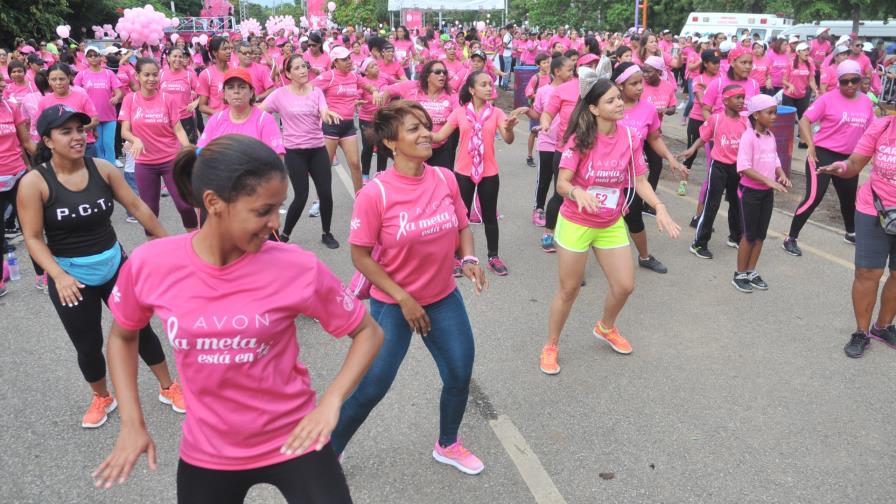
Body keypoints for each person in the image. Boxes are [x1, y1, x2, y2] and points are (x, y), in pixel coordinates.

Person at [90, 135, 383, 503]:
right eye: (263, 211)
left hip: (296, 434)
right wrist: (132, 423)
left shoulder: (296, 266)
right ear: (213, 202)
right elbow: (122, 336)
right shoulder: (152, 264)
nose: (274, 223)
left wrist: (331, 401)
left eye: (279, 208)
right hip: (209, 451)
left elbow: (367, 332)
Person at [331, 100, 488, 475]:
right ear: (390, 143)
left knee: (458, 373)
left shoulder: (445, 179)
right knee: (372, 387)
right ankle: (328, 452)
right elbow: (361, 255)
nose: (426, 133)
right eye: (414, 129)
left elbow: (463, 226)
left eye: (425, 125)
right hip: (393, 304)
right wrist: (403, 298)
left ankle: (447, 444)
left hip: (442, 298)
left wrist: (468, 260)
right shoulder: (376, 194)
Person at [17, 104, 184, 428]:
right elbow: (34, 238)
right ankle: (102, 397)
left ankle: (168, 387)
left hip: (113, 265)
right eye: (66, 132)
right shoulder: (35, 183)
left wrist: (170, 247)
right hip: (70, 275)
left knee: (139, 329)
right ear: (48, 141)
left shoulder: (103, 169)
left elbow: (138, 207)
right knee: (89, 345)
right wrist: (59, 275)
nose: (77, 137)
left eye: (80, 129)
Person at [538, 72, 680, 375]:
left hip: (610, 222)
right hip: (577, 221)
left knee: (625, 285)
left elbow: (640, 180)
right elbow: (562, 183)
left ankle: (605, 327)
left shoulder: (629, 137)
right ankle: (551, 344)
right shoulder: (580, 139)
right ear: (593, 108)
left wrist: (660, 206)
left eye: (619, 98)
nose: (619, 103)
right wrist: (577, 192)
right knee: (569, 290)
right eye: (611, 100)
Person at [815, 114, 896, 357]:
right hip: (875, 209)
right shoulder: (882, 127)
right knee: (867, 273)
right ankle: (861, 332)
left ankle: (882, 327)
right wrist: (843, 168)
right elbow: (855, 164)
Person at [431, 71, 526, 276]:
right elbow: (439, 136)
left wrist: (508, 129)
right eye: (483, 84)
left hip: (489, 173)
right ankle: (457, 257)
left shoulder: (498, 113)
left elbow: (508, 139)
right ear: (472, 90)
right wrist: (420, 131)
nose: (489, 87)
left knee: (490, 216)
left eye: (490, 84)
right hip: (463, 172)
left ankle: (493, 256)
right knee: (460, 216)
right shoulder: (459, 113)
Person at [783, 60, 875, 256]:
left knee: (849, 199)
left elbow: (872, 130)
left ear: (860, 79)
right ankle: (790, 237)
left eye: (854, 80)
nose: (850, 85)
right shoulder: (827, 99)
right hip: (822, 154)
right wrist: (810, 145)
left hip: (849, 159)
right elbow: (805, 120)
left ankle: (850, 233)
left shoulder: (866, 102)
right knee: (814, 197)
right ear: (838, 81)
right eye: (844, 81)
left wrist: (874, 153)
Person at [261, 54, 341, 249]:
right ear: (288, 73)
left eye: (304, 66)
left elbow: (323, 110)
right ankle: (285, 236)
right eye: (297, 68)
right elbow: (260, 112)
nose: (303, 70)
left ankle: (326, 233)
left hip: (317, 150)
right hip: (294, 152)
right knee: (301, 195)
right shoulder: (280, 94)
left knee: (325, 193)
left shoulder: (316, 92)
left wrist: (327, 114)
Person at [613, 62, 686, 274]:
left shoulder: (648, 109)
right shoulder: (607, 107)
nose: (639, 87)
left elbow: (654, 138)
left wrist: (670, 158)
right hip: (603, 177)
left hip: (632, 177)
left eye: (640, 82)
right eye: (633, 83)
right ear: (619, 86)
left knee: (634, 219)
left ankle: (644, 256)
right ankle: (577, 266)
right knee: (594, 222)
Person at [119, 58, 196, 233]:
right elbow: (124, 131)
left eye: (155, 75)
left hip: (171, 160)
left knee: (185, 205)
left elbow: (178, 129)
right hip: (145, 163)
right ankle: (154, 246)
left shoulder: (167, 99)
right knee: (150, 210)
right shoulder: (130, 99)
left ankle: (194, 239)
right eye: (146, 75)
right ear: (137, 76)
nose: (151, 79)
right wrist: (135, 140)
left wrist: (187, 150)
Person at [678, 85, 748, 259]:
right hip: (719, 167)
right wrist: (692, 149)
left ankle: (735, 237)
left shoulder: (746, 121)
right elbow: (704, 137)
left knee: (736, 204)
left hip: (737, 170)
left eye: (742, 97)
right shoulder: (716, 119)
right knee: (712, 205)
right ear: (725, 101)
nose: (741, 101)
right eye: (737, 97)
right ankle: (699, 243)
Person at [733, 94, 791, 292]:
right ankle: (739, 274)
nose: (774, 116)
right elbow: (744, 167)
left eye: (775, 112)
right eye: (770, 113)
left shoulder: (770, 136)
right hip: (749, 192)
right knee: (748, 235)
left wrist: (781, 174)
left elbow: (774, 159)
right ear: (757, 114)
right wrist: (768, 180)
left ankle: (751, 271)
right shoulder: (748, 136)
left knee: (760, 235)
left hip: (767, 192)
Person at [313, 46, 379, 193]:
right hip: (331, 125)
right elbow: (309, 91)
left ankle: (360, 198)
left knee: (355, 164)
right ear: (335, 62)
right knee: (326, 166)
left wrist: (374, 91)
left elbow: (368, 86)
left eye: (349, 58)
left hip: (348, 126)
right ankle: (320, 200)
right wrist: (323, 109)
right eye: (344, 59)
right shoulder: (328, 76)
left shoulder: (354, 76)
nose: (349, 61)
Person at [382, 59, 459, 170]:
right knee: (413, 183)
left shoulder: (451, 95)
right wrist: (385, 116)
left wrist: (438, 136)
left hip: (440, 149)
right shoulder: (412, 87)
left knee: (440, 183)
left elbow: (458, 116)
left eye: (444, 72)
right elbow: (388, 91)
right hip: (413, 147)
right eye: (437, 72)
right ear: (427, 76)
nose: (442, 75)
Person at [0, 77, 36, 296]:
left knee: (30, 226)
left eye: (1, 83)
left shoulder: (11, 107)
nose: (2, 86)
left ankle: (42, 275)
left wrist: (47, 159)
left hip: (17, 173)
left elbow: (26, 142)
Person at [528, 56, 574, 228]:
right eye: (569, 69)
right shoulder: (543, 91)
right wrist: (527, 112)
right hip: (547, 142)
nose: (572, 72)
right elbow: (539, 114)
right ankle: (539, 208)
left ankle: (560, 213)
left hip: (566, 144)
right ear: (557, 72)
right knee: (545, 177)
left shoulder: (573, 90)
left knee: (562, 181)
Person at [197, 67, 283, 155]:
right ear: (225, 94)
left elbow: (276, 161)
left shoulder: (264, 121)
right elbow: (201, 154)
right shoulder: (216, 121)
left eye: (242, 87)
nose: (236, 91)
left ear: (251, 92)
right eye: (230, 87)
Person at [73, 46, 122, 167]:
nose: (93, 58)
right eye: (90, 56)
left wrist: (116, 97)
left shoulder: (108, 73)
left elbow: (119, 92)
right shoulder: (82, 74)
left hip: (109, 115)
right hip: (92, 118)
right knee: (98, 145)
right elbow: (74, 92)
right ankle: (101, 169)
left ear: (101, 57)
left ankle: (111, 168)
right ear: (86, 58)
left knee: (108, 143)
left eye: (96, 55)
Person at [36, 63, 99, 157]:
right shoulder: (44, 102)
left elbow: (95, 120)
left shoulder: (82, 97)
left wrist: (76, 131)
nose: (58, 83)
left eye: (62, 79)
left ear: (69, 78)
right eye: (53, 79)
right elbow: (40, 126)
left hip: (84, 146)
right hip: (58, 149)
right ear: (48, 81)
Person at [160, 47, 200, 143]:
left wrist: (196, 103)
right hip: (165, 119)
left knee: (188, 151)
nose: (178, 59)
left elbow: (203, 92)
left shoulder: (189, 75)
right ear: (168, 58)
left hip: (185, 118)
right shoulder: (161, 75)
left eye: (180, 57)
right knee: (168, 150)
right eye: (174, 56)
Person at [783, 43, 818, 148]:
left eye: (808, 50)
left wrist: (815, 90)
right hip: (789, 95)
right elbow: (783, 80)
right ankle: (785, 141)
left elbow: (811, 79)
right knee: (788, 120)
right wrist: (790, 85)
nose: (807, 52)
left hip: (802, 95)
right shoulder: (790, 64)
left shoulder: (809, 64)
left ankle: (803, 141)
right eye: (804, 50)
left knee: (804, 119)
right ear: (798, 52)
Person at [197, 36, 232, 116]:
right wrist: (221, 115)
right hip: (217, 123)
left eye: (229, 48)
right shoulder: (206, 74)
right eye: (224, 49)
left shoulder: (236, 71)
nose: (229, 51)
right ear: (214, 52)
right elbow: (202, 106)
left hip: (237, 121)